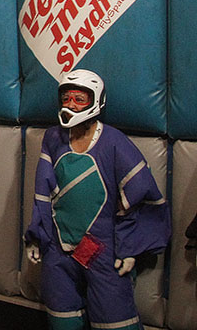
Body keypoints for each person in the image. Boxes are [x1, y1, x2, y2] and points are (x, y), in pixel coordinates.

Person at [24, 69, 170, 330]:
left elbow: (139, 194)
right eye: (66, 98)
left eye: (79, 99)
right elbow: (43, 193)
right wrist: (37, 234)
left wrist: (129, 246)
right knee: (62, 318)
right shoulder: (53, 138)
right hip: (58, 247)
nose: (70, 105)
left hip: (102, 249)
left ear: (96, 102)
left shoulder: (115, 143)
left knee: (116, 319)